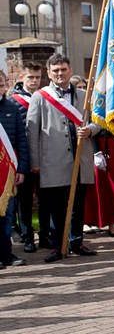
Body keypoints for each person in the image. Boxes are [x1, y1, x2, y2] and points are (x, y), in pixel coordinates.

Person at [26, 54, 100, 262]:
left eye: (64, 69)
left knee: (77, 206)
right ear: (49, 73)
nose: (60, 73)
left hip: (79, 159)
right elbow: (32, 132)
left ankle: (77, 242)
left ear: (70, 70)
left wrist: (91, 130)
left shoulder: (85, 95)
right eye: (56, 70)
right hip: (53, 161)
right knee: (56, 208)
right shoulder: (40, 97)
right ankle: (59, 246)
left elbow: (98, 120)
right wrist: (35, 163)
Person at [10, 62, 46, 252]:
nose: (34, 81)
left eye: (37, 77)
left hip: (45, 155)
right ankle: (27, 237)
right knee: (23, 200)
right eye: (30, 77)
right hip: (23, 156)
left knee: (45, 198)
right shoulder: (14, 101)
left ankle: (46, 234)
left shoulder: (47, 96)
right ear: (22, 78)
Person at [0, 70, 29, 269]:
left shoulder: (12, 107)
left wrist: (22, 169)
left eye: (1, 84)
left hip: (8, 172)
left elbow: (22, 141)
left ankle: (6, 255)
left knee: (8, 215)